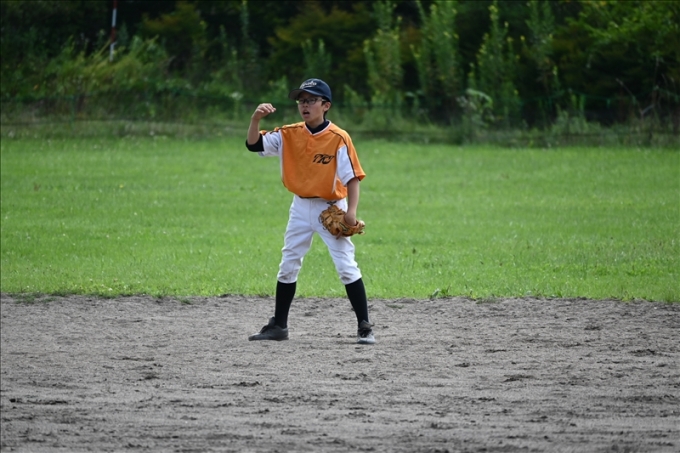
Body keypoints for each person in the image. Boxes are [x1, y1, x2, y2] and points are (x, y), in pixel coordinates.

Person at [245, 78, 375, 345]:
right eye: (301, 101)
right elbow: (254, 144)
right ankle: (279, 326)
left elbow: (352, 178)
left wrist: (351, 212)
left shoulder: (338, 138)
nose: (305, 105)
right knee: (288, 263)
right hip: (300, 207)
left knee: (345, 266)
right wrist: (255, 119)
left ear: (325, 105)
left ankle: (364, 326)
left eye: (311, 100)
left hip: (331, 208)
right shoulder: (288, 133)